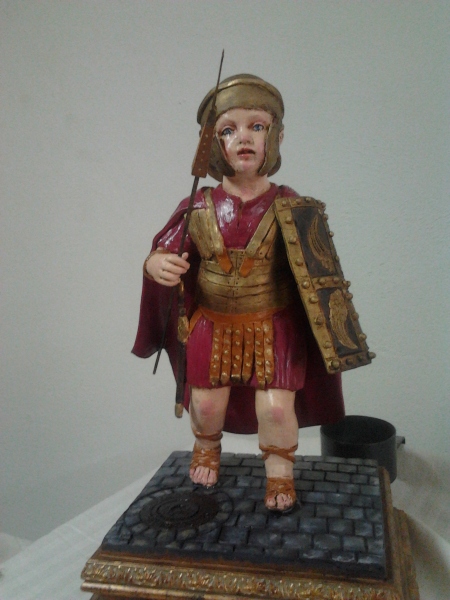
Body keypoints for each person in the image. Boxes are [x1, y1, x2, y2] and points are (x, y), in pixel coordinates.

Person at [132, 75, 370, 512]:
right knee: (206, 404)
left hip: (273, 324)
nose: (243, 137)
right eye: (229, 130)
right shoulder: (198, 205)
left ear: (275, 137)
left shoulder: (290, 205)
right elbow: (163, 250)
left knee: (277, 410)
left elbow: (318, 273)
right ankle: (207, 448)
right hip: (212, 323)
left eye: (256, 126)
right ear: (212, 144)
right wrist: (155, 264)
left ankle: (279, 471)